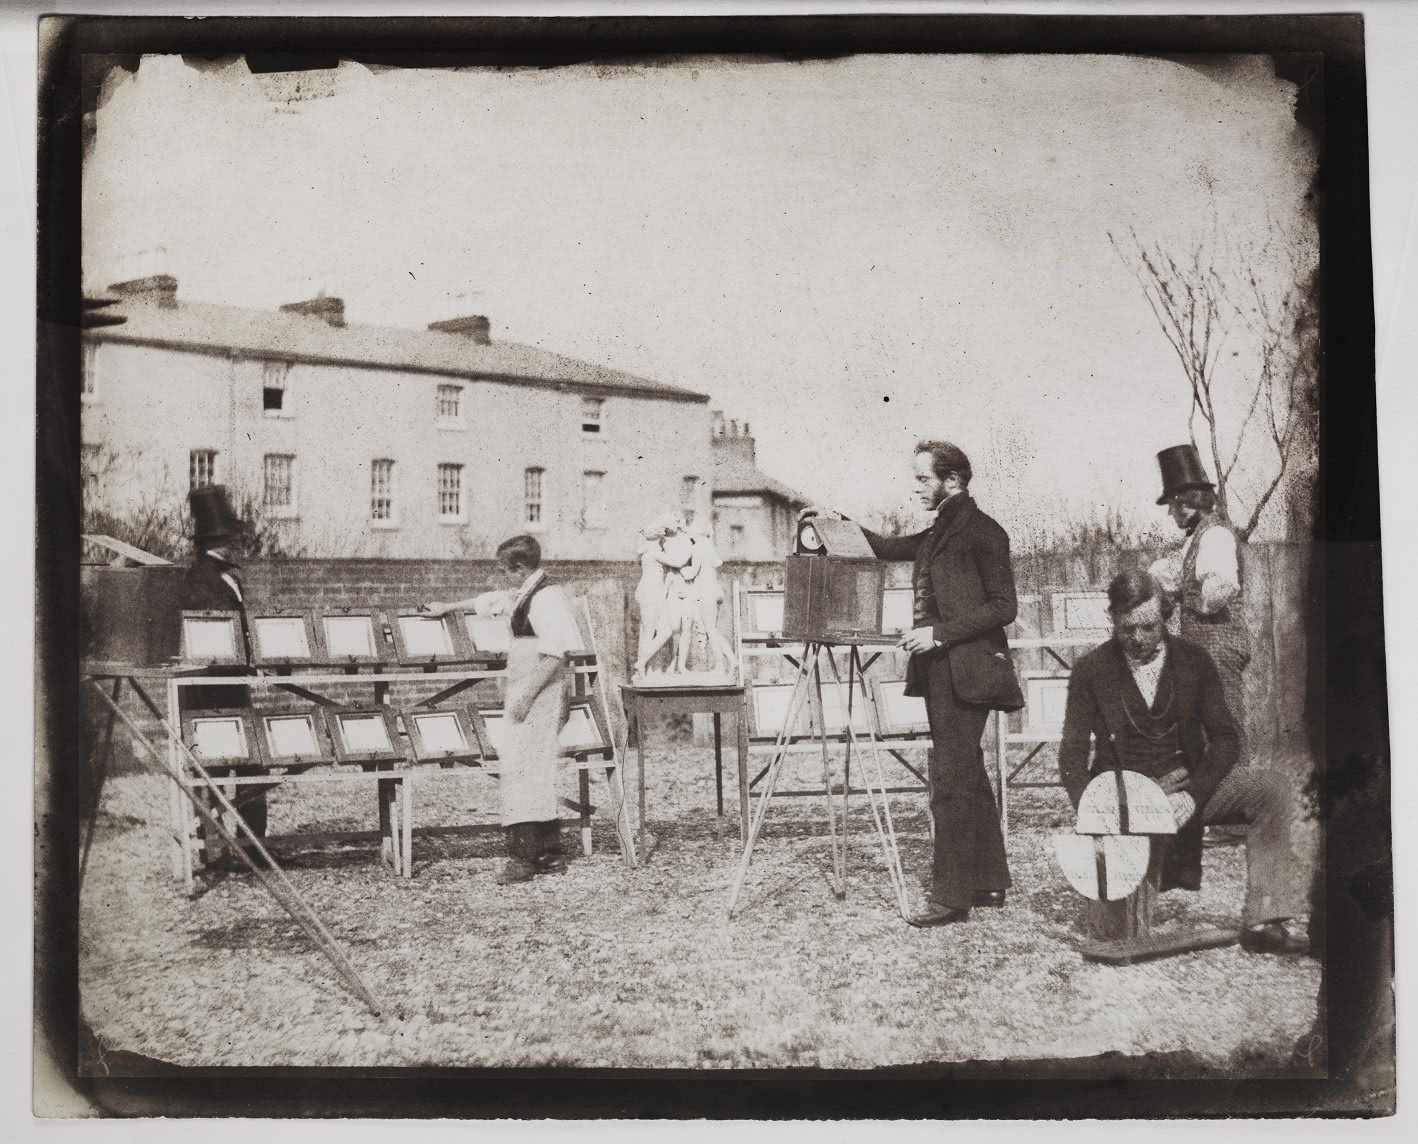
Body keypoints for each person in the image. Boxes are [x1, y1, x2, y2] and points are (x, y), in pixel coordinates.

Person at [803, 440, 1023, 927]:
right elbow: (886, 547)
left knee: (951, 780)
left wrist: (938, 634)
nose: (916, 487)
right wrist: (835, 522)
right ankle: (987, 881)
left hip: (969, 672)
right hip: (944, 672)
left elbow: (1003, 606)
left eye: (924, 478)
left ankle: (951, 897)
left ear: (953, 480)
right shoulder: (940, 531)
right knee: (967, 773)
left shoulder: (985, 532)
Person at [1058, 569, 1307, 955]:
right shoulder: (1090, 670)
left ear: (1165, 616)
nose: (1138, 638)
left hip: (1186, 785)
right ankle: (1124, 902)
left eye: (1148, 627)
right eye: (1127, 629)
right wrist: (1095, 815)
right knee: (1119, 940)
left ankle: (1264, 920)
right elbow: (1071, 756)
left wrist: (1193, 795)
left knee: (1271, 789)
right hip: (1127, 799)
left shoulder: (1194, 661)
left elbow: (1226, 740)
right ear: (1113, 619)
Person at [424, 535, 582, 884]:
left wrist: (526, 696)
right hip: (527, 687)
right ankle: (550, 853)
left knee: (523, 770)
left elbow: (554, 655)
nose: (502, 577)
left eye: (504, 571)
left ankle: (524, 858)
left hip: (538, 690)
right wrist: (448, 606)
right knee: (531, 768)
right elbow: (493, 601)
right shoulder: (527, 591)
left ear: (520, 568)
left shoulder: (547, 597)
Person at [180, 485, 268, 860]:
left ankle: (242, 847)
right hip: (211, 689)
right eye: (232, 536)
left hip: (228, 686)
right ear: (221, 540)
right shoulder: (202, 581)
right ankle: (221, 850)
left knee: (245, 765)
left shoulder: (223, 577)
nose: (238, 543)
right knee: (220, 766)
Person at [1148, 445, 1251, 753]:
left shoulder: (1215, 535)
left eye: (1171, 504)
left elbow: (1222, 588)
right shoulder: (1196, 538)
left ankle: (1238, 785)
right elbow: (1175, 575)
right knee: (1206, 735)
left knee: (1224, 733)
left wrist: (1191, 596)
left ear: (1186, 503)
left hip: (1218, 649)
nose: (1170, 512)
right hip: (1203, 652)